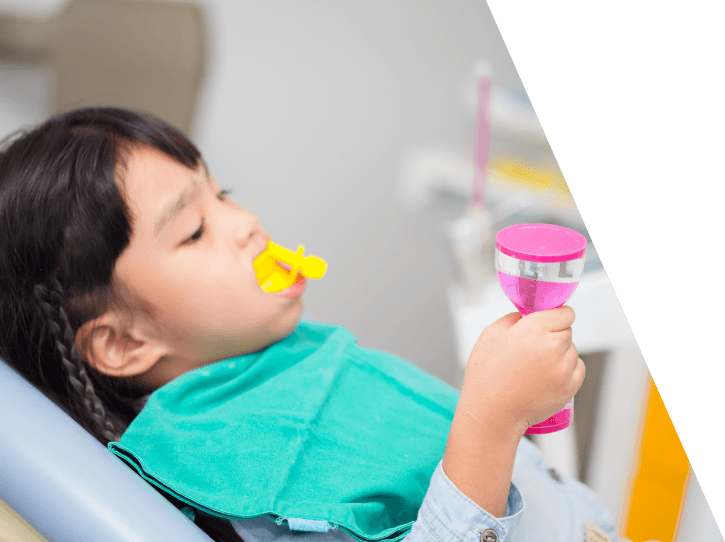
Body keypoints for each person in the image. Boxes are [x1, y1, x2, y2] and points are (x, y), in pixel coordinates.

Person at [0, 107, 627, 542]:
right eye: (193, 230)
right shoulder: (246, 467)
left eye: (222, 193)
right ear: (122, 341)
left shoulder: (283, 362)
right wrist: (492, 421)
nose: (244, 222)